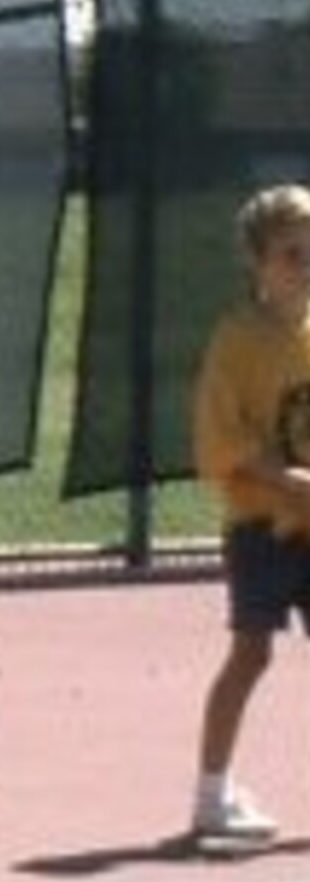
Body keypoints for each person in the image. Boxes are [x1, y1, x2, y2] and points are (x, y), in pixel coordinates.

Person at [183, 182, 310, 848]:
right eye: (293, 253)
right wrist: (286, 481)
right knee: (251, 654)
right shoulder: (235, 339)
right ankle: (211, 796)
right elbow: (221, 442)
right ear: (258, 262)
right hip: (261, 528)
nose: (306, 263)